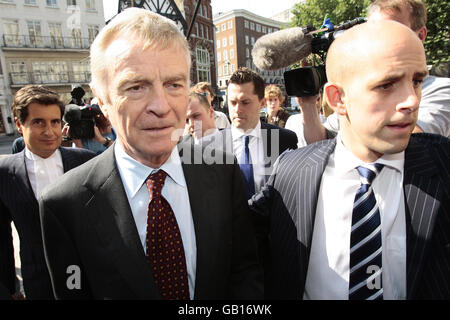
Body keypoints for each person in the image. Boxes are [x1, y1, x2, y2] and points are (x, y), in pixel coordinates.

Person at [39, 8, 263, 300]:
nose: (161, 105)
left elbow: (244, 269)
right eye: (136, 86)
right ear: (103, 101)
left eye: (174, 84)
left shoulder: (222, 170)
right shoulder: (65, 205)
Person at [250, 20, 450, 300]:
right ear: (338, 98)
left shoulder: (443, 165)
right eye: (387, 85)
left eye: (416, 81)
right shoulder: (291, 171)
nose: (412, 100)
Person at [300, 0, 450, 143]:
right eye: (371, 31)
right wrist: (307, 103)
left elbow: (407, 145)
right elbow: (320, 143)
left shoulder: (442, 90)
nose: (411, 102)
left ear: (420, 36)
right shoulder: (358, 88)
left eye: (390, 30)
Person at [0, 85, 95, 300]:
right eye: (38, 122)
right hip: (39, 283)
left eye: (55, 122)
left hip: (89, 278)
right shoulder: (4, 174)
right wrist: (10, 288)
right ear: (18, 124)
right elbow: (2, 242)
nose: (49, 131)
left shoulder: (86, 161)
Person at [206, 68, 298, 200]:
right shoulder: (211, 145)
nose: (237, 109)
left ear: (262, 103)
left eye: (245, 102)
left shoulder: (284, 139)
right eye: (233, 102)